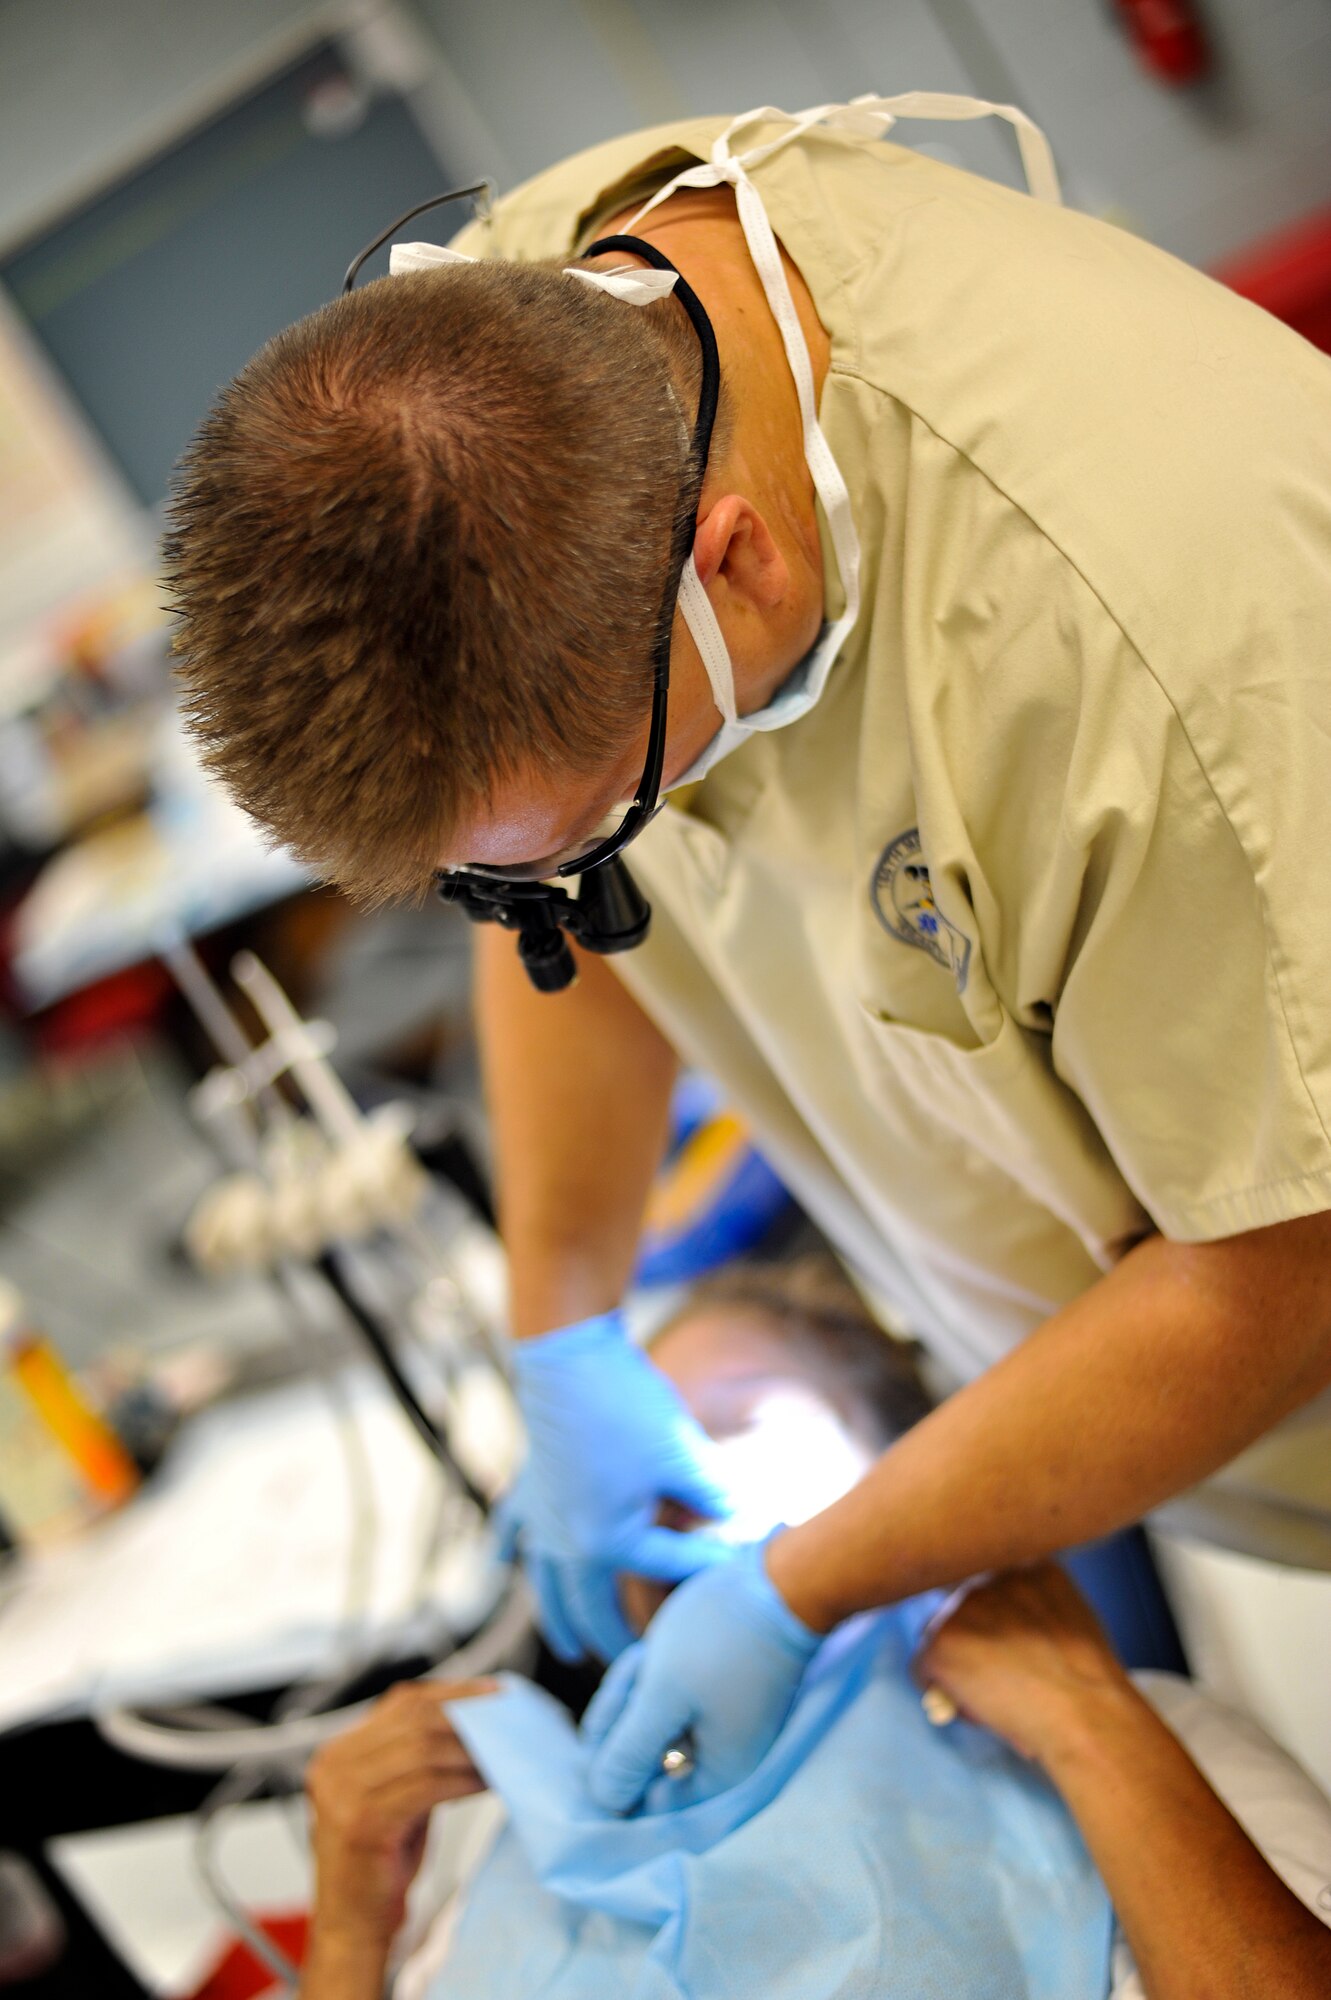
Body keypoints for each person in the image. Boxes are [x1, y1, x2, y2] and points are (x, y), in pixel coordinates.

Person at [166, 95, 1331, 1804]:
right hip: (1137, 1436)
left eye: (568, 837)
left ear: (738, 562)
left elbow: (1278, 1272)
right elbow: (586, 903)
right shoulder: (528, 348)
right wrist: (561, 1321)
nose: (545, 902)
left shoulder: (1156, 664)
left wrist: (807, 1582)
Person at [297, 1269, 1331, 1999]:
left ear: (916, 1475)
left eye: (738, 1421)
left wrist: (1088, 1720)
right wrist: (347, 1935)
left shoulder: (1131, 1752)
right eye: (633, 1467)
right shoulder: (519, 1832)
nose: (667, 1497)